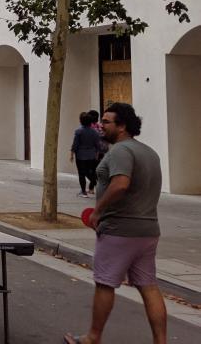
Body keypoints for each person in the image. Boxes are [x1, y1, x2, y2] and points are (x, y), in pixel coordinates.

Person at [64, 102, 165, 344]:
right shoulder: (149, 152)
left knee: (104, 283)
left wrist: (98, 211)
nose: (101, 125)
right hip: (148, 230)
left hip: (120, 230)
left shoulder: (120, 151)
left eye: (107, 122)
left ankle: (92, 338)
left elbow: (120, 184)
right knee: (149, 286)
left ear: (122, 127)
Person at [71, 111, 102, 197]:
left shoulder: (78, 131)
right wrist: (97, 154)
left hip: (80, 155)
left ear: (81, 121)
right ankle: (97, 184)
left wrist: (72, 153)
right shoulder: (95, 132)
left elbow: (75, 144)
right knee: (90, 172)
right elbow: (97, 145)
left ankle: (84, 192)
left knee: (81, 173)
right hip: (91, 155)